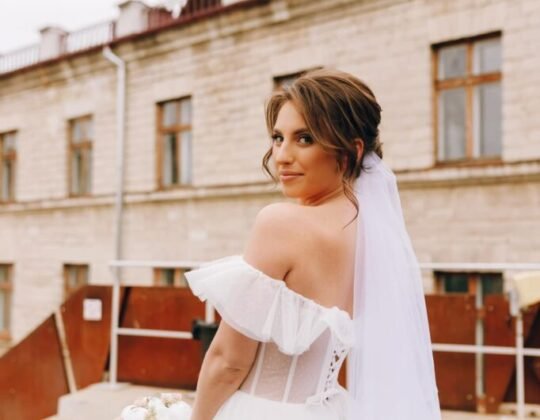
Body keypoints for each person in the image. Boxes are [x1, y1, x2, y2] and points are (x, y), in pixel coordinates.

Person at [185, 69, 441, 419]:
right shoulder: (374, 235)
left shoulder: (281, 224)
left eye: (304, 139)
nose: (282, 156)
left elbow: (228, 362)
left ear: (351, 150)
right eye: (278, 138)